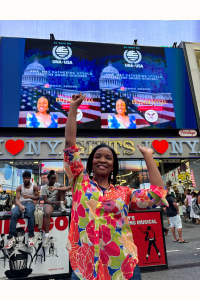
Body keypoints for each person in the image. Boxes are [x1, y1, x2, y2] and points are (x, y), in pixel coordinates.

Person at [64, 92, 168, 280]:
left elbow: (157, 195)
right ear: (90, 162)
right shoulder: (80, 181)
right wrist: (73, 108)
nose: (102, 160)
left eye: (108, 157)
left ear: (113, 165)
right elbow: (70, 144)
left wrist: (148, 156)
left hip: (123, 267)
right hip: (85, 268)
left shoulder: (124, 192)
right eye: (97, 156)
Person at [4, 171, 39, 249]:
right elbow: (17, 199)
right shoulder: (19, 187)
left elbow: (37, 197)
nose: (25, 179)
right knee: (14, 213)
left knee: (29, 212)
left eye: (27, 178)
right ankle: (11, 238)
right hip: (21, 203)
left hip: (30, 203)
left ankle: (30, 237)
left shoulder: (34, 187)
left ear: (30, 178)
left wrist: (29, 196)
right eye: (24, 178)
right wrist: (20, 205)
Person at [41, 170, 71, 247]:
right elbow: (45, 200)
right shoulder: (44, 188)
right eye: (52, 179)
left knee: (61, 186)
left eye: (55, 179)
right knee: (47, 213)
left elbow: (65, 190)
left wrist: (64, 200)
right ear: (48, 179)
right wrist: (54, 203)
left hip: (58, 202)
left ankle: (61, 205)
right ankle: (46, 237)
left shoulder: (57, 185)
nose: (53, 180)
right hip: (50, 203)